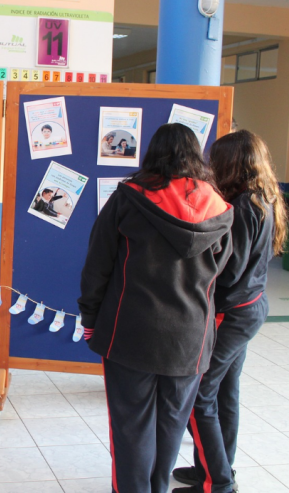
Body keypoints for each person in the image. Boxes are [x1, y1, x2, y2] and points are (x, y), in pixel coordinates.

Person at [79, 123, 233, 493]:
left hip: (130, 332)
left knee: (131, 427)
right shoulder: (219, 207)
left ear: (153, 153)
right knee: (171, 425)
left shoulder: (128, 198)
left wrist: (90, 319)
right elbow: (221, 273)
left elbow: (97, 265)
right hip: (190, 339)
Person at [172, 130, 287, 493]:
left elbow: (229, 271)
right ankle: (217, 466)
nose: (211, 165)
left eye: (216, 159)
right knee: (225, 392)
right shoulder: (264, 198)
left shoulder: (240, 207)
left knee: (198, 395)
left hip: (232, 313)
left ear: (232, 163)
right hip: (251, 306)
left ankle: (218, 482)